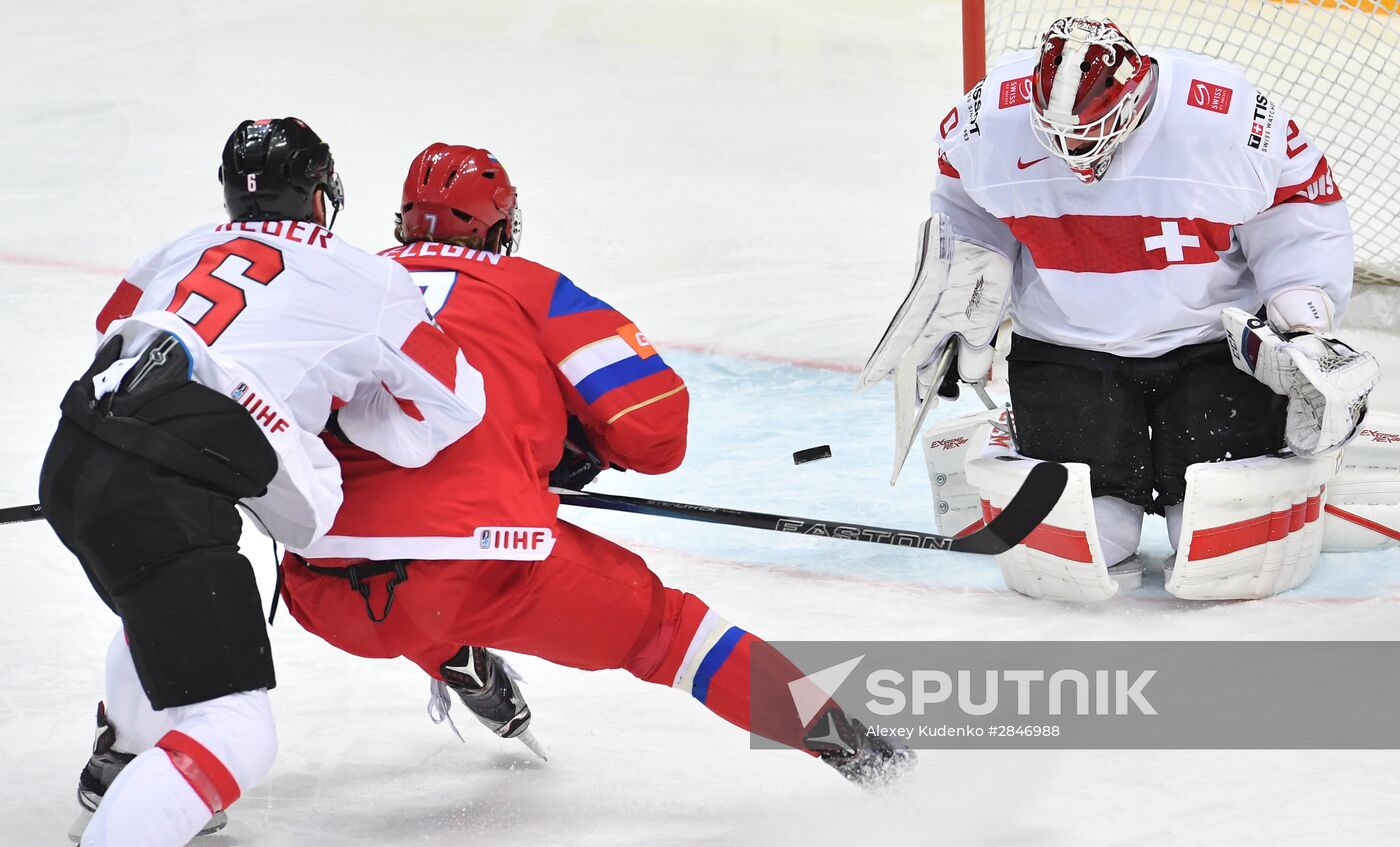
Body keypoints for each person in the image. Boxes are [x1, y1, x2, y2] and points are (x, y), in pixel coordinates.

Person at [278, 143, 911, 789]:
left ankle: (450, 656)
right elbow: (656, 430)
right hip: (477, 570)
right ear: (499, 224)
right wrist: (583, 447)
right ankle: (873, 761)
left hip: (321, 586)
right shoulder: (529, 288)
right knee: (672, 631)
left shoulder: (339, 279)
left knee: (402, 571)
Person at [40, 118, 485, 846]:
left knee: (156, 605)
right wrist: (340, 411)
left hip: (76, 451)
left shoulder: (184, 246)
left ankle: (119, 765)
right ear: (320, 197)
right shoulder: (370, 278)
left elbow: (113, 326)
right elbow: (455, 402)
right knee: (236, 727)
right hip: (162, 489)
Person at [861, 16, 1380, 599]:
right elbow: (968, 213)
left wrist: (1305, 318)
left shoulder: (1226, 118)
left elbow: (1297, 204)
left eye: (1091, 131)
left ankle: (1302, 468)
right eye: (1055, 134)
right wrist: (963, 306)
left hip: (1209, 347)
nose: (1071, 152)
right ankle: (1017, 437)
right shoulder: (990, 119)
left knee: (1222, 546)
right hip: (1065, 348)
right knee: (1082, 547)